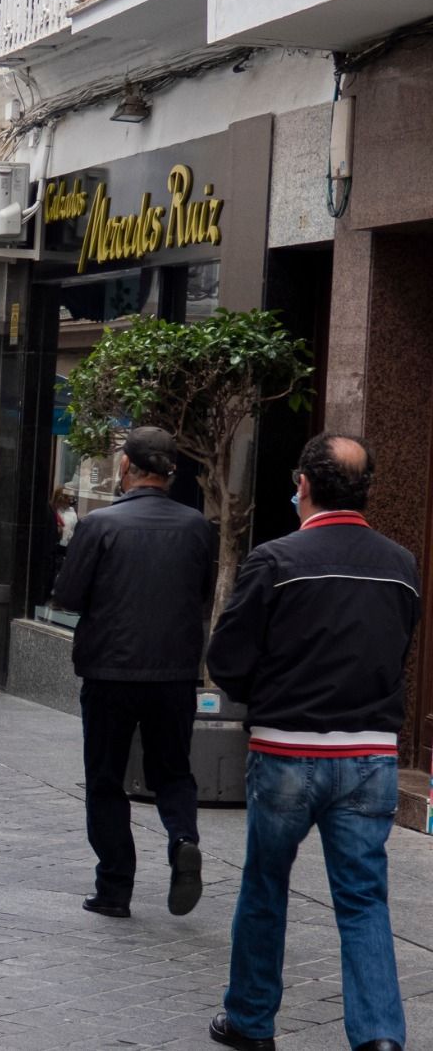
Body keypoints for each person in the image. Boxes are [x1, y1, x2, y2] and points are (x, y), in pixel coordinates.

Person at [205, 434, 417, 1051]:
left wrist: (268, 695)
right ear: (367, 490)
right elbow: (396, 650)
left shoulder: (274, 560)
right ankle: (379, 1036)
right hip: (371, 753)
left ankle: (251, 1020)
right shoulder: (402, 565)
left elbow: (227, 659)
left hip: (286, 749)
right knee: (363, 899)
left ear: (302, 484)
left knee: (265, 886)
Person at [51, 426, 216, 920]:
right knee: (174, 771)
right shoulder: (196, 527)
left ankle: (114, 887)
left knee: (105, 778)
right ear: (170, 472)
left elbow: (67, 596)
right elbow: (203, 594)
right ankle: (183, 838)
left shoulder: (100, 524)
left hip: (110, 671)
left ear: (126, 467)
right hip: (174, 673)